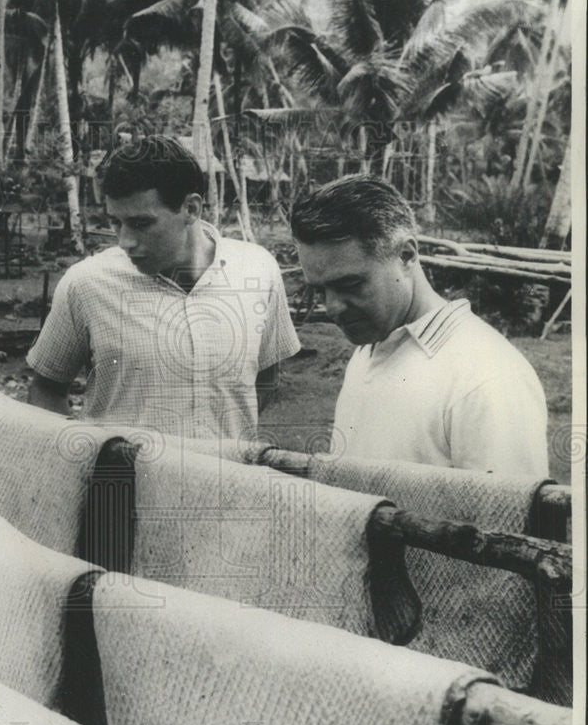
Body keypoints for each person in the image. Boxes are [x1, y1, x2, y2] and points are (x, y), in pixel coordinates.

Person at [27, 135, 301, 440]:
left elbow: (266, 376)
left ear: (191, 209)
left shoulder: (258, 270)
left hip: (228, 481)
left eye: (141, 224)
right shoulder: (86, 285)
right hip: (126, 485)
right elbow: (46, 388)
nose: (125, 242)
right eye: (116, 223)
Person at [291, 174, 549, 474]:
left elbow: (511, 517)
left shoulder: (488, 378)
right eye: (319, 290)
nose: (332, 306)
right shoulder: (372, 346)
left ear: (406, 255)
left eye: (351, 284)